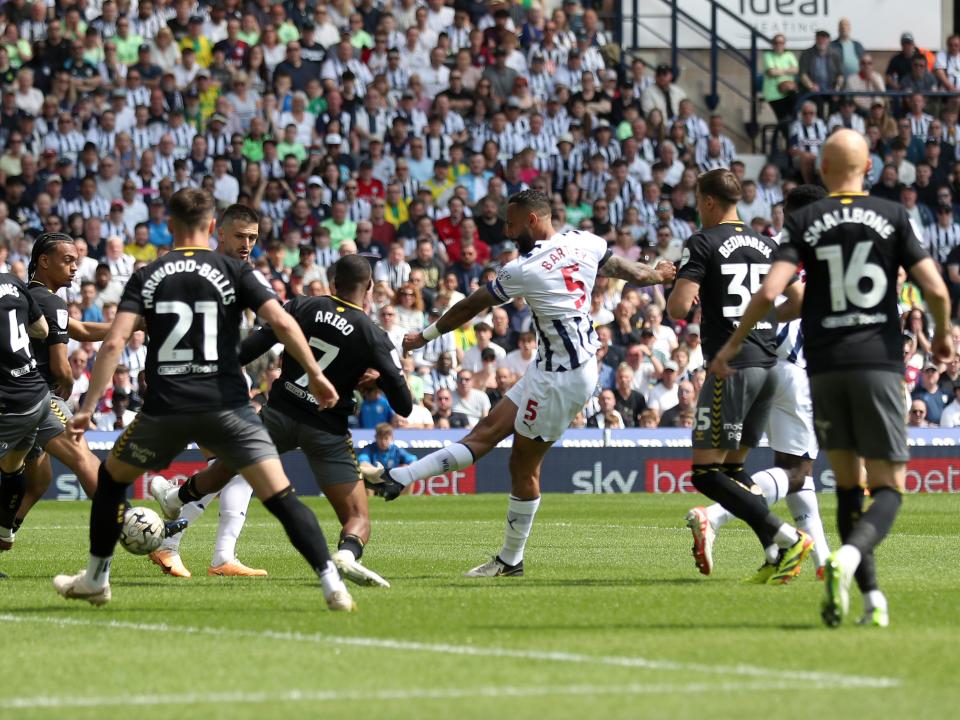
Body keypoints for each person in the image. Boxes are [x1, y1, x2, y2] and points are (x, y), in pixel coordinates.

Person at [51, 189, 355, 612]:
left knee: (111, 482)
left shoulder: (149, 273)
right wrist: (317, 375)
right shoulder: (234, 270)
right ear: (213, 227)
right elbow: (283, 323)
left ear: (170, 226)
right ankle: (331, 584)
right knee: (281, 496)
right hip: (227, 407)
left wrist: (86, 407)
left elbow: (116, 341)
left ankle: (97, 578)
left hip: (165, 409)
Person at [710, 129, 953, 628]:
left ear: (821, 169)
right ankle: (848, 557)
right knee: (886, 488)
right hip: (880, 366)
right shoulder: (893, 216)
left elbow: (772, 295)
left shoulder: (804, 219)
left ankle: (870, 600)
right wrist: (945, 335)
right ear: (868, 168)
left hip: (825, 369)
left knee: (844, 488)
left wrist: (733, 345)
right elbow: (936, 290)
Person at [366, 189, 674, 577]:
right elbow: (631, 272)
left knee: (522, 465)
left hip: (562, 379)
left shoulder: (524, 267)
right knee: (487, 431)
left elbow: (472, 305)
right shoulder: (585, 241)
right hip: (553, 366)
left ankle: (511, 560)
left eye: (512, 224)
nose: (508, 233)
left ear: (531, 218)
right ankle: (400, 477)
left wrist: (422, 337)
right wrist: (659, 274)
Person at [153, 252, 411, 588]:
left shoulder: (301, 306)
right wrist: (379, 379)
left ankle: (177, 499)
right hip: (326, 428)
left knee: (229, 466)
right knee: (358, 517)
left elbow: (248, 350)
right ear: (371, 288)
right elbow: (404, 405)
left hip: (279, 415)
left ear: (333, 283)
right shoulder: (373, 334)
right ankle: (346, 554)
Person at [667, 168, 813, 586]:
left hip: (730, 368)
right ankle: (774, 552)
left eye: (698, 202)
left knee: (705, 473)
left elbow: (678, 309)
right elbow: (799, 300)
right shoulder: (768, 243)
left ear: (709, 201)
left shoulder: (703, 242)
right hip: (769, 368)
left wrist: (682, 285)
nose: (697, 210)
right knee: (733, 472)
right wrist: (763, 322)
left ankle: (788, 536)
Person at [147, 204, 276, 578]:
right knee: (241, 464)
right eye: (240, 236)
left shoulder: (239, 274)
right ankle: (177, 537)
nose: (247, 244)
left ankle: (207, 552)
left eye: (253, 237)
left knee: (236, 469)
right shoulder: (197, 270)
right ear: (219, 231)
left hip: (221, 387)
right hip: (194, 386)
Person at [13, 234, 111, 535]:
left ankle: (6, 529)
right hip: (38, 397)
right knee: (82, 456)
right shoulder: (52, 301)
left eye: (76, 262)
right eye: (67, 260)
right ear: (44, 261)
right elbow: (60, 366)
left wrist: (131, 324)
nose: (74, 268)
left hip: (18, 398)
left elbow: (79, 329)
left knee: (38, 480)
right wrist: (67, 381)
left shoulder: (29, 297)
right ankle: (130, 524)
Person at [0, 272, 51, 561]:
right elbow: (42, 330)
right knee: (12, 465)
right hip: (37, 393)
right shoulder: (14, 281)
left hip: (12, 403)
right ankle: (5, 531)